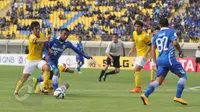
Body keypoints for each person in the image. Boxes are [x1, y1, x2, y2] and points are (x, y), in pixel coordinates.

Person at [140, 18, 188, 105]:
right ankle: (178, 96)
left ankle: (145, 95)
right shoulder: (171, 31)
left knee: (159, 80)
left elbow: (152, 50)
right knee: (183, 75)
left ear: (159, 25)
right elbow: (175, 43)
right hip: (169, 58)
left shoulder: (156, 36)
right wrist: (180, 51)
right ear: (168, 24)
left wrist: (154, 62)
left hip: (160, 60)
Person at [14, 21, 50, 96]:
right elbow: (37, 41)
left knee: (47, 67)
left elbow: (45, 47)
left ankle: (43, 86)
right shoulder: (31, 36)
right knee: (24, 77)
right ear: (32, 30)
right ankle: (16, 91)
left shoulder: (42, 35)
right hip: (31, 60)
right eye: (36, 29)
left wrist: (47, 53)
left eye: (38, 28)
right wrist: (46, 40)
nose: (38, 30)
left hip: (39, 60)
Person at [128, 20, 151, 93]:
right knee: (135, 70)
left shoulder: (145, 36)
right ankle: (138, 86)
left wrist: (145, 54)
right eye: (135, 26)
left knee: (137, 69)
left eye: (138, 27)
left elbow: (151, 46)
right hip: (138, 55)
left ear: (141, 28)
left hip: (144, 55)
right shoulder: (134, 33)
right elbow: (135, 41)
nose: (136, 28)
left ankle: (138, 88)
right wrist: (132, 50)